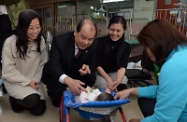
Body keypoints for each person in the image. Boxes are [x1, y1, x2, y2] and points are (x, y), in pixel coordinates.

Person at [114, 19, 187, 122]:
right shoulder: (182, 51)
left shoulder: (173, 67)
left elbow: (163, 121)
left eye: (146, 46)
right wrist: (131, 90)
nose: (146, 51)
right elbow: (164, 90)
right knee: (145, 100)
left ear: (156, 42)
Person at [1, 9, 47, 116]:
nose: (35, 31)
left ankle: (21, 100)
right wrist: (28, 82)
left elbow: (41, 64)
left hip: (34, 79)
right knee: (33, 101)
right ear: (22, 27)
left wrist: (34, 81)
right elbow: (8, 71)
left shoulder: (41, 41)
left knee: (39, 111)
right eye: (31, 28)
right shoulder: (10, 42)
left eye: (38, 27)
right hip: (15, 81)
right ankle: (14, 99)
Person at [42, 19, 97, 107]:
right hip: (60, 73)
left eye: (90, 39)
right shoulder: (60, 41)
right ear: (75, 32)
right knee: (58, 100)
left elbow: (93, 64)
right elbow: (53, 66)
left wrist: (87, 68)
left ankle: (80, 95)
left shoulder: (94, 44)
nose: (86, 42)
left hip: (77, 72)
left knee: (91, 76)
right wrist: (67, 80)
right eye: (83, 37)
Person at [94, 16, 131, 91]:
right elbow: (97, 65)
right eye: (112, 30)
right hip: (99, 73)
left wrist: (117, 82)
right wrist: (109, 81)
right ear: (108, 28)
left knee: (123, 80)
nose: (114, 33)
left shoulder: (126, 46)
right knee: (104, 84)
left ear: (123, 31)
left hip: (113, 73)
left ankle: (115, 98)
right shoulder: (99, 42)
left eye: (118, 31)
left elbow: (122, 67)